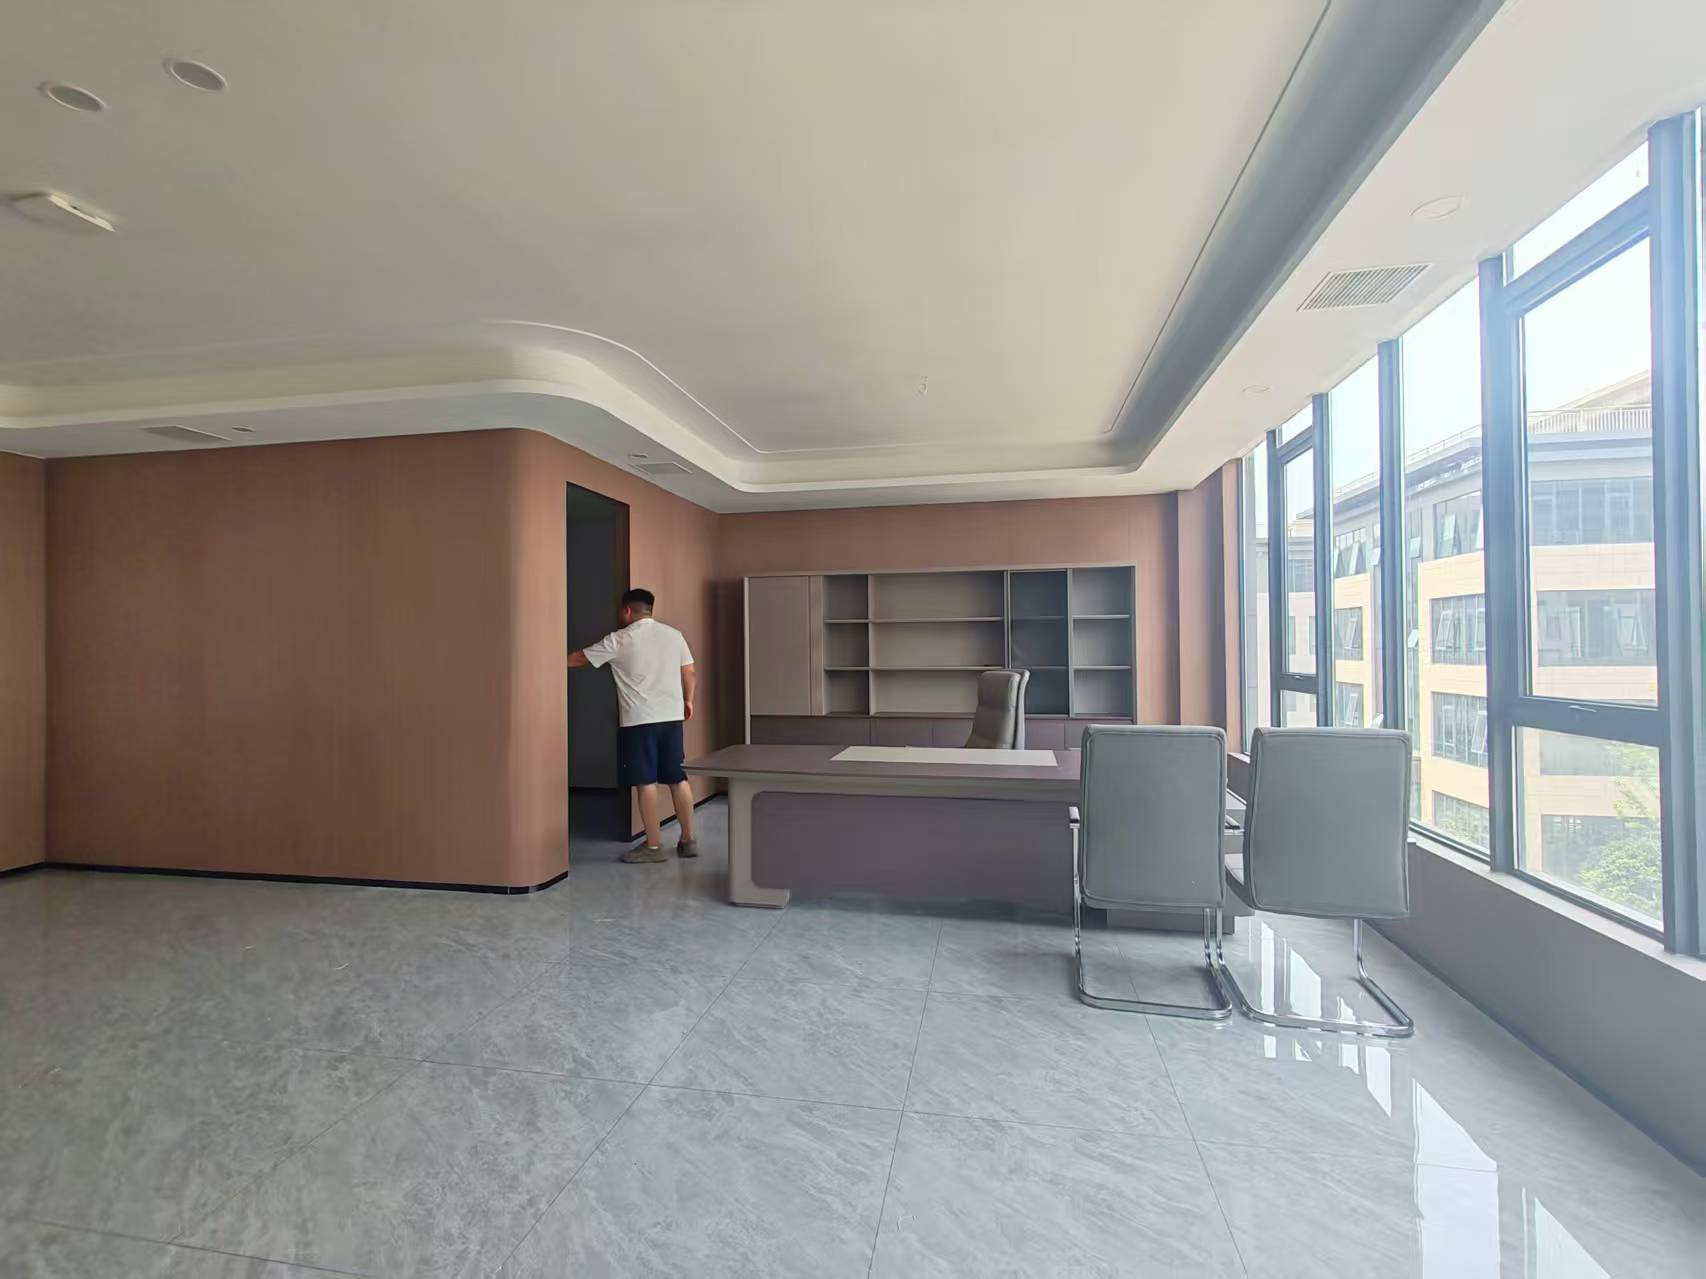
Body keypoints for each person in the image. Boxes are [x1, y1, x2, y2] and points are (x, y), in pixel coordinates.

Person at [568, 588, 699, 863]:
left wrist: (546, 662)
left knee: (645, 781)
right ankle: (688, 840)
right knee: (677, 778)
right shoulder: (673, 635)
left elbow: (580, 658)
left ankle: (653, 846)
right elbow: (689, 671)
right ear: (650, 609)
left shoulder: (620, 639)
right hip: (671, 717)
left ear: (627, 610)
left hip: (640, 721)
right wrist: (688, 700)